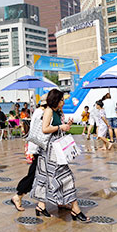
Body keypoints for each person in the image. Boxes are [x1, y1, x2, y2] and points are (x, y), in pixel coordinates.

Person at [31, 89, 89, 222]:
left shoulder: (57, 112)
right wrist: (60, 127)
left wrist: (66, 126)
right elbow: (45, 129)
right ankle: (75, 209)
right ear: (56, 100)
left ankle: (41, 206)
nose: (64, 102)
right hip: (50, 151)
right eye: (62, 100)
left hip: (54, 149)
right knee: (66, 177)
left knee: (45, 177)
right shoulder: (49, 111)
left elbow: (57, 128)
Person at [11, 98, 47, 212]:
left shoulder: (39, 112)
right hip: (40, 148)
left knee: (38, 173)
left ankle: (59, 201)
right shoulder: (41, 113)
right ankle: (19, 195)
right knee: (34, 173)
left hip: (40, 147)